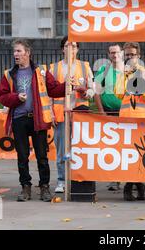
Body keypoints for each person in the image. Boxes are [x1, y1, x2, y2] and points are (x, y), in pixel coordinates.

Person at [0, 39, 67, 202]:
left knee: (42, 155)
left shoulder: (41, 71)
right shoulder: (9, 74)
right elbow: (1, 96)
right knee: (22, 156)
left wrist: (66, 86)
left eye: (19, 51)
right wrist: (16, 97)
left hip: (38, 119)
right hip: (19, 119)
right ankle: (25, 187)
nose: (16, 54)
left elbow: (54, 89)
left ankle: (44, 187)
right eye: (15, 51)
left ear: (28, 53)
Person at [49, 37, 94, 193]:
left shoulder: (84, 66)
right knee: (62, 149)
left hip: (80, 115)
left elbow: (92, 92)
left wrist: (82, 89)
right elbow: (48, 93)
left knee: (80, 148)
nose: (71, 49)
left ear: (78, 49)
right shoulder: (54, 68)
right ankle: (61, 180)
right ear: (63, 49)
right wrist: (50, 113)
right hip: (60, 115)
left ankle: (78, 178)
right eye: (67, 46)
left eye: (73, 46)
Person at [115, 42, 145, 201]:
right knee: (129, 154)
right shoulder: (122, 74)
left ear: (138, 56)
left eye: (132, 55)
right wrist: (125, 76)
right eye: (127, 55)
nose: (129, 58)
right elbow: (119, 95)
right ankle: (132, 185)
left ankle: (136, 185)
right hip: (126, 119)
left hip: (143, 119)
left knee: (141, 154)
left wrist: (140, 84)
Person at [94, 43, 124, 191]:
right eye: (112, 52)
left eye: (117, 52)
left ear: (122, 53)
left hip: (127, 114)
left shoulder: (129, 70)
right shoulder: (104, 70)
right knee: (112, 147)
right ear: (108, 54)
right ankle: (114, 179)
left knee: (130, 147)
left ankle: (137, 180)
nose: (114, 55)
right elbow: (97, 92)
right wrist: (101, 112)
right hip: (109, 112)